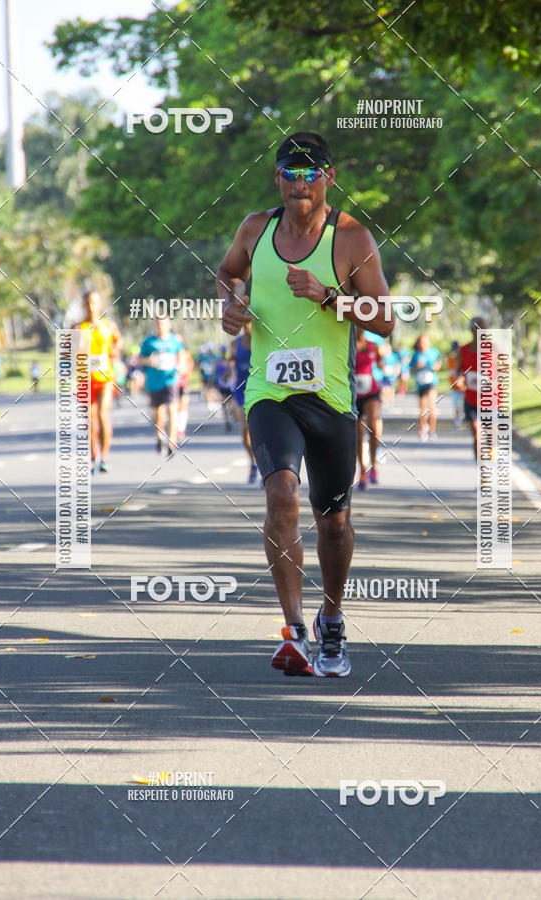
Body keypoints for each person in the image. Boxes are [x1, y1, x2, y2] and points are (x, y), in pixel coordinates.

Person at [218, 131, 394, 677]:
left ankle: (332, 619)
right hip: (270, 393)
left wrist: (330, 297)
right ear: (277, 178)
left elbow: (385, 320)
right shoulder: (256, 228)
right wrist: (231, 303)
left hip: (333, 399)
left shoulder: (351, 238)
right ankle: (293, 630)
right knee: (280, 497)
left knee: (334, 521)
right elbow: (226, 274)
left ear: (329, 178)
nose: (300, 183)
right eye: (290, 173)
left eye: (310, 173)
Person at [75, 291, 122, 473]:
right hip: (86, 378)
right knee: (91, 420)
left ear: (100, 304)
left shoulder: (108, 325)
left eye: (94, 302)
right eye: (87, 303)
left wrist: (114, 351)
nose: (91, 306)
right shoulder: (78, 326)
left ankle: (104, 457)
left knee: (103, 416)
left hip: (106, 378)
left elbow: (118, 342)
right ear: (83, 305)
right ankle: (93, 455)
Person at [139, 316, 185, 457]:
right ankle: (160, 437)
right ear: (155, 325)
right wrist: (148, 360)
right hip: (154, 382)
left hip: (170, 380)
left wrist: (181, 366)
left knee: (172, 409)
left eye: (163, 323)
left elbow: (182, 355)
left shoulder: (174, 341)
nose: (161, 326)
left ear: (169, 324)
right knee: (158, 413)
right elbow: (139, 359)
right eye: (158, 323)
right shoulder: (149, 342)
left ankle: (172, 442)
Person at [355, 328, 384, 489]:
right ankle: (363, 471)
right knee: (358, 437)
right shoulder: (348, 344)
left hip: (371, 391)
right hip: (353, 394)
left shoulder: (373, 345)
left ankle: (373, 465)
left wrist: (382, 365)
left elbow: (380, 362)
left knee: (374, 428)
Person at [230, 320, 258, 483]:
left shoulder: (262, 341)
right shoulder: (235, 343)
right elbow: (231, 363)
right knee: (245, 433)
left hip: (260, 389)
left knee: (260, 431)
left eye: (250, 323)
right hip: (240, 390)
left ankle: (265, 466)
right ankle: (253, 462)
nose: (247, 326)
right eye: (245, 323)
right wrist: (228, 372)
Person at [457, 316, 487, 460]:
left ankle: (489, 462)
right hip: (471, 399)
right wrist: (459, 381)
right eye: (476, 328)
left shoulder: (494, 350)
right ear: (471, 330)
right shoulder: (463, 350)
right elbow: (459, 372)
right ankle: (482, 473)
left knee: (490, 437)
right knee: (477, 434)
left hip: (491, 400)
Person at [410, 334, 441, 442]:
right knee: (423, 408)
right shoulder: (416, 355)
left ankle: (432, 430)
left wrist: (435, 367)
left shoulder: (434, 352)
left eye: (425, 341)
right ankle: (423, 428)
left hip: (431, 382)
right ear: (418, 343)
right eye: (421, 342)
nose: (423, 344)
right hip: (421, 383)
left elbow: (439, 363)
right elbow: (410, 369)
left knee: (432, 406)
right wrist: (417, 367)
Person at [214, 345, 235, 431]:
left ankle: (230, 415)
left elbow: (233, 371)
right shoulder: (218, 362)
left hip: (229, 385)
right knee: (224, 403)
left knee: (231, 403)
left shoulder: (229, 362)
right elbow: (215, 373)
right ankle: (227, 421)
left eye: (224, 351)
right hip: (221, 385)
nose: (223, 353)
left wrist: (228, 374)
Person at [177, 343, 194, 441]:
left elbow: (191, 364)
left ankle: (181, 429)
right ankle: (175, 428)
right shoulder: (170, 353)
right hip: (172, 383)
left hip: (183, 382)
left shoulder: (186, 354)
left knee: (183, 405)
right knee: (174, 407)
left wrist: (187, 373)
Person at [446, 340, 463, 428]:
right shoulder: (450, 358)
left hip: (463, 387)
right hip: (454, 386)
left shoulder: (462, 358)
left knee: (463, 405)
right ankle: (458, 420)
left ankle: (462, 419)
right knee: (456, 405)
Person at [378, 341, 399, 409]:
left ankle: (390, 402)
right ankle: (385, 400)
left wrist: (396, 371)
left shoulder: (394, 356)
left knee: (391, 389)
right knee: (384, 389)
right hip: (384, 376)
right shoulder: (383, 356)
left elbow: (397, 364)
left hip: (392, 376)